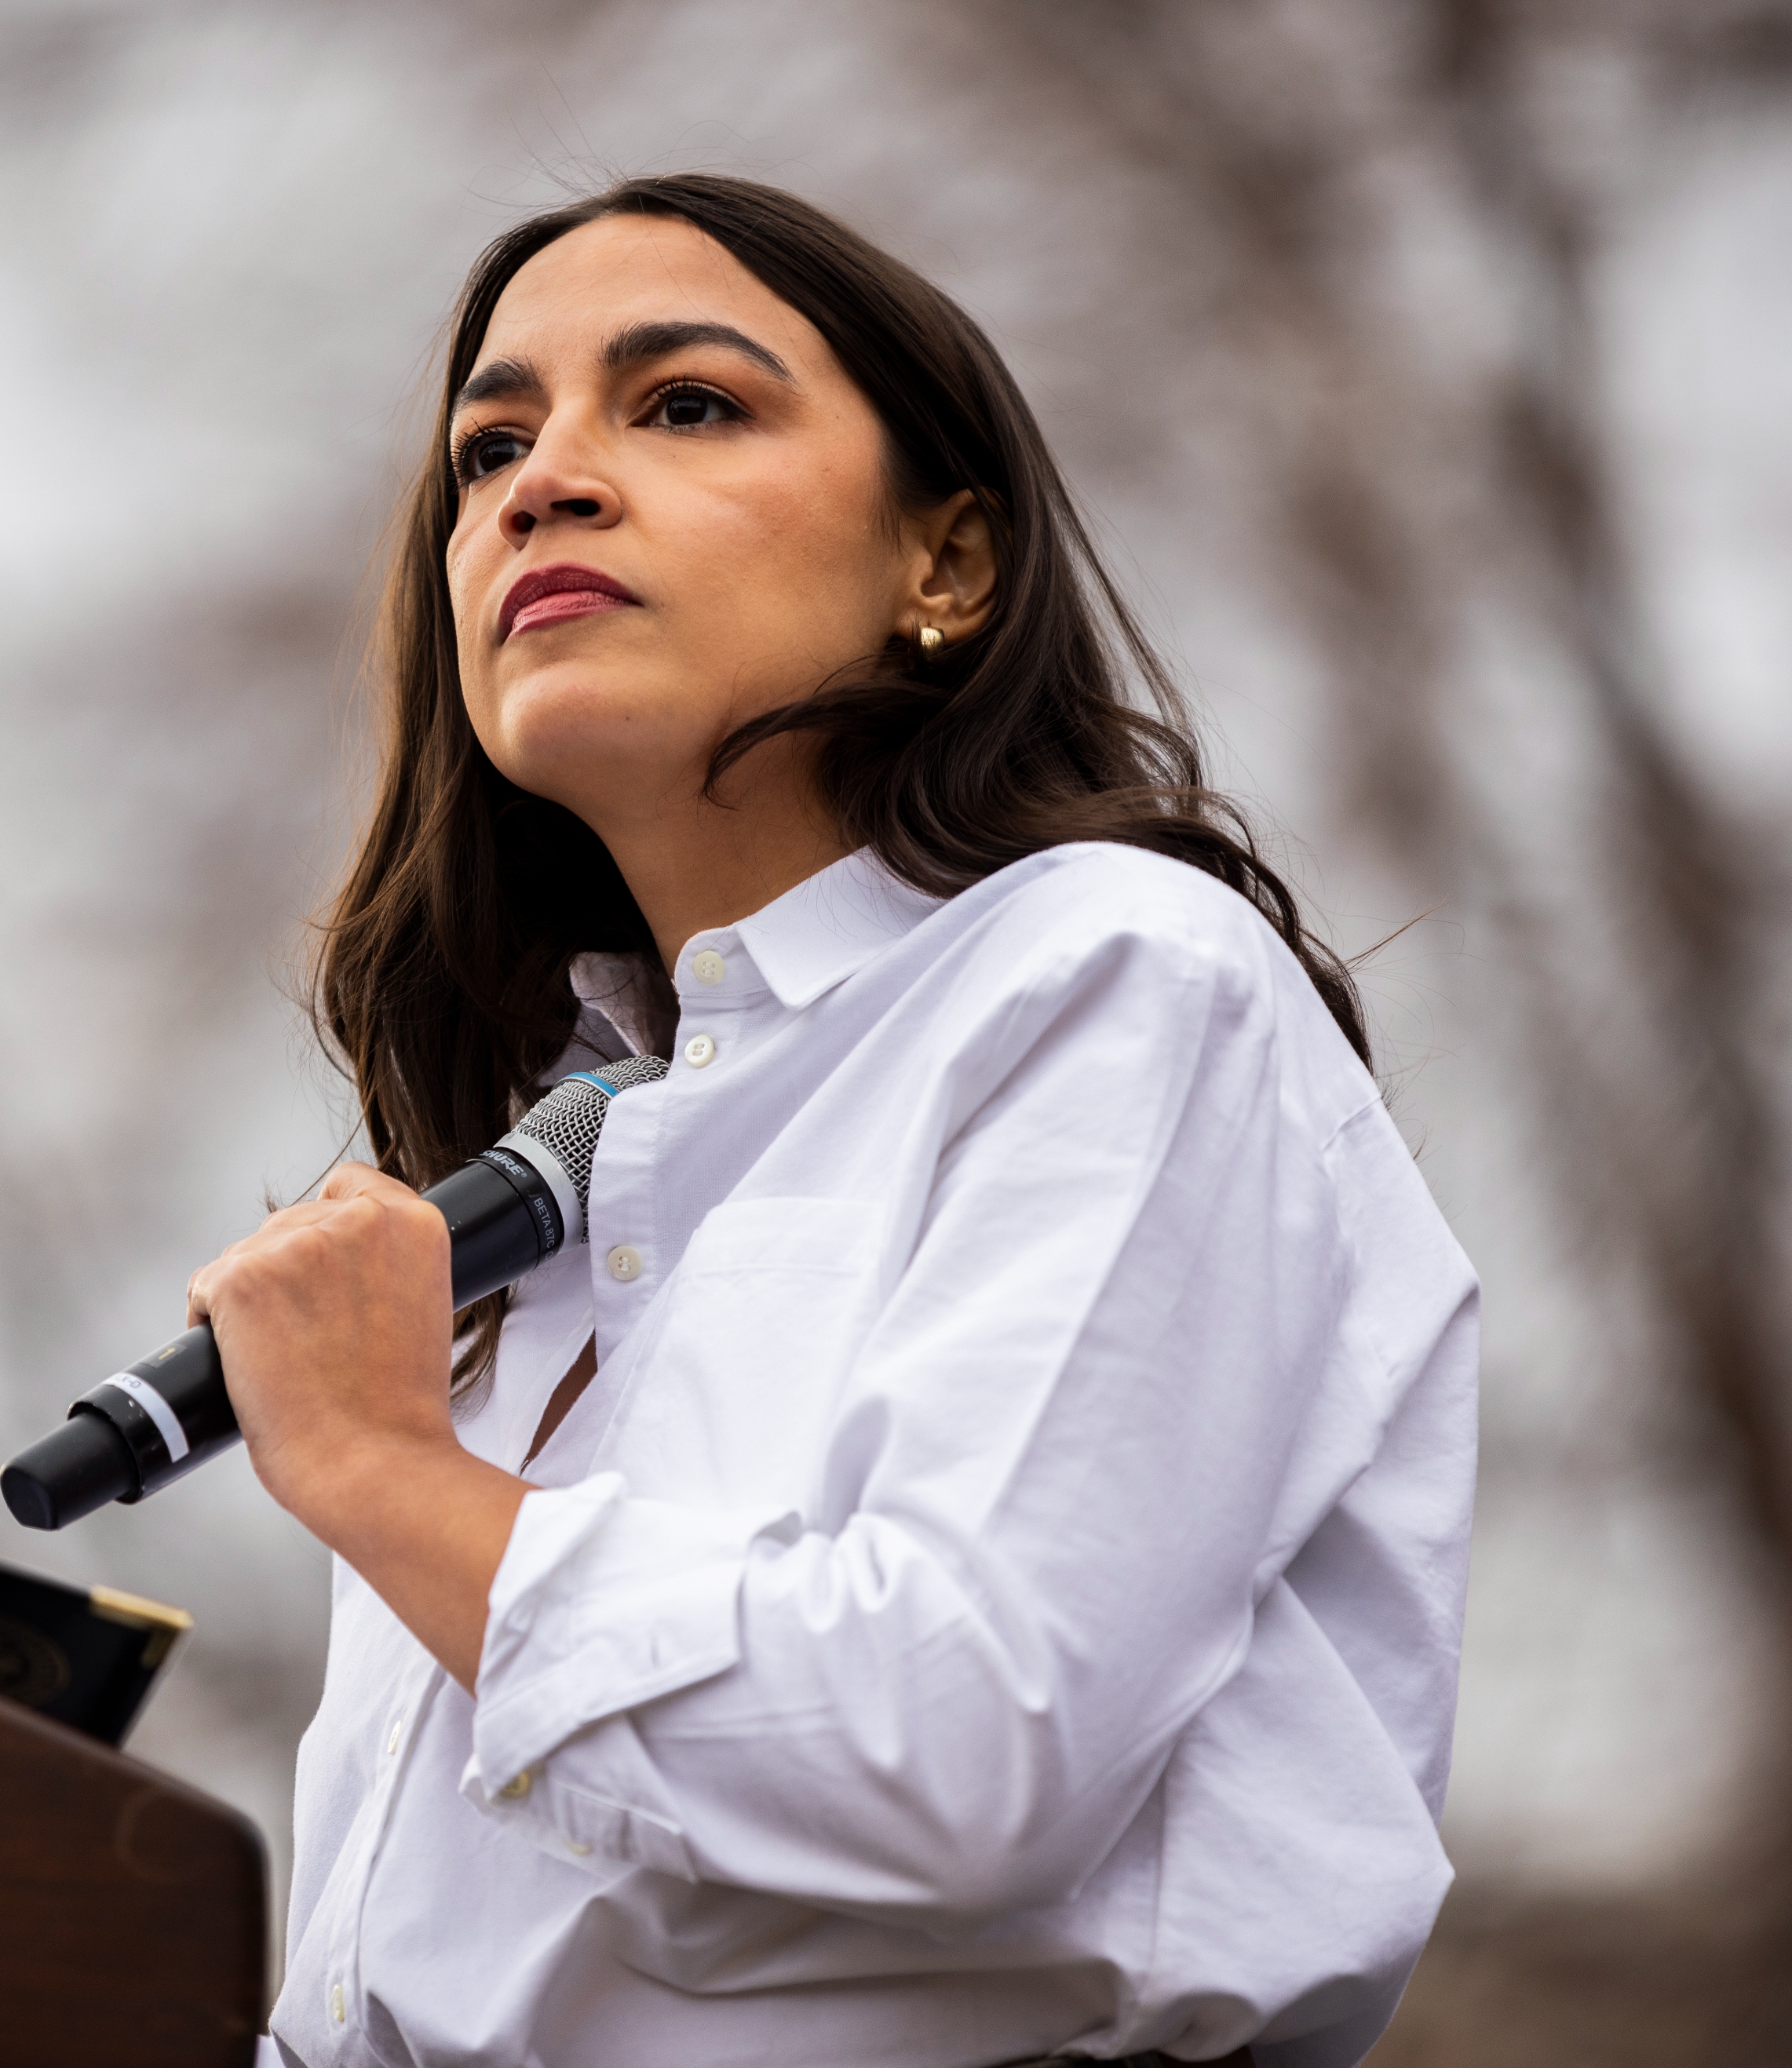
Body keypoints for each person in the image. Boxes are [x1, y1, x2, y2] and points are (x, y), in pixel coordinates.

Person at [183, 175, 1478, 2068]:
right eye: (487, 445)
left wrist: (388, 1473)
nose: (539, 482)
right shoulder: (550, 1160)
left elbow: (962, 1741)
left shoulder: (1109, 976)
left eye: (684, 402)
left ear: (944, 562)